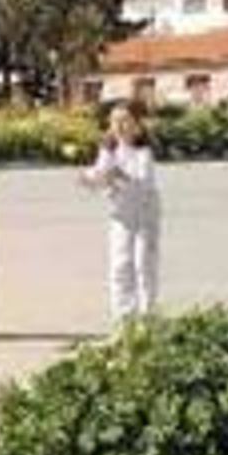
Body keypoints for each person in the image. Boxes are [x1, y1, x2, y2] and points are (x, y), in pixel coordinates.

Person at [80, 101, 162, 320]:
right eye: (114, 121)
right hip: (120, 217)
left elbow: (142, 183)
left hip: (145, 216)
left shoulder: (143, 152)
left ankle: (147, 317)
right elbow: (100, 174)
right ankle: (123, 319)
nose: (119, 125)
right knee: (120, 266)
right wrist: (89, 179)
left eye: (125, 120)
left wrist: (115, 176)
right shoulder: (108, 149)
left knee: (143, 265)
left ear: (137, 125)